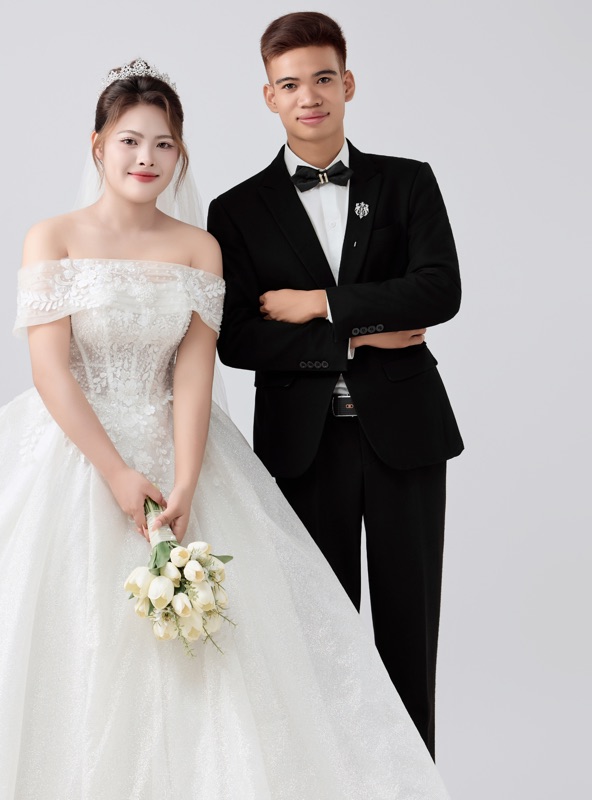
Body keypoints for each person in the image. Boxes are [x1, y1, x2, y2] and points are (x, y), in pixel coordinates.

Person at [0, 60, 451, 798]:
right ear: (98, 144)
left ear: (180, 154)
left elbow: (194, 372)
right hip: (70, 452)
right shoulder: (52, 238)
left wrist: (188, 477)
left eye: (164, 144)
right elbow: (51, 372)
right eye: (131, 141)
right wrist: (115, 472)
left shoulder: (199, 248)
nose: (146, 158)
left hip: (180, 449)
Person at [208, 12, 463, 758]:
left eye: (323, 79)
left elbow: (439, 290)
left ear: (347, 83)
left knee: (410, 633)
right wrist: (358, 333)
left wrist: (320, 305)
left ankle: (414, 786)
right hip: (303, 448)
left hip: (406, 438)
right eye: (290, 84)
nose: (309, 96)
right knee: (318, 635)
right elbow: (238, 338)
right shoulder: (236, 210)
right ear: (269, 96)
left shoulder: (407, 182)